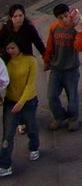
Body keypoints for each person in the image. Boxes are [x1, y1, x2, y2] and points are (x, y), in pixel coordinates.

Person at [43, 4, 82, 131]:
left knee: (72, 98)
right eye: (61, 17)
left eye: (66, 16)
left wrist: (80, 32)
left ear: (70, 14)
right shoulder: (54, 28)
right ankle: (59, 116)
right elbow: (50, 46)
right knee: (52, 96)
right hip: (56, 68)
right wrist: (47, 61)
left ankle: (73, 118)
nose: (64, 19)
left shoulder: (77, 28)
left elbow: (81, 47)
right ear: (57, 19)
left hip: (71, 69)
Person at [0, 38, 39, 176]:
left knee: (32, 127)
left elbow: (30, 84)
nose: (10, 51)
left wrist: (21, 102)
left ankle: (34, 147)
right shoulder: (5, 62)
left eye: (12, 48)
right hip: (10, 101)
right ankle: (5, 165)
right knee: (8, 134)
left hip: (28, 101)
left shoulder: (30, 61)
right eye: (8, 48)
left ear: (19, 47)